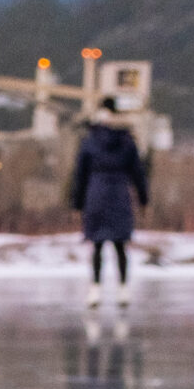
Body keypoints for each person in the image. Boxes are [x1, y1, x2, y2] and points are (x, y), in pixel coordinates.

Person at [72, 99, 149, 306]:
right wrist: (143, 199)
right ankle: (123, 289)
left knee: (97, 245)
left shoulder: (89, 140)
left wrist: (77, 203)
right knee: (120, 245)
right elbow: (138, 173)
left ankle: (95, 289)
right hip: (120, 193)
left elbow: (80, 174)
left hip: (96, 194)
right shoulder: (127, 140)